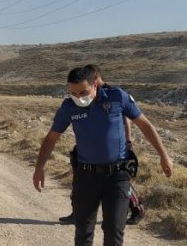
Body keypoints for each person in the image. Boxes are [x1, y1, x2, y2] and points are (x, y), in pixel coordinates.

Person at [32, 66, 173, 246]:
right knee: (83, 228)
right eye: (73, 93)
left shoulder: (117, 97)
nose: (79, 98)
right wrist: (39, 167)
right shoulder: (69, 108)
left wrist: (163, 154)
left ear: (95, 85)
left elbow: (144, 124)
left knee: (114, 229)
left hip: (117, 176)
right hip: (86, 176)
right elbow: (52, 137)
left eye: (83, 92)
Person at [59, 64, 146, 225]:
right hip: (89, 152)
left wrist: (128, 140)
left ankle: (136, 207)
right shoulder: (86, 97)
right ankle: (77, 212)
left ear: (97, 78)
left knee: (121, 181)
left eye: (94, 79)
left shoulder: (113, 94)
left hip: (117, 149)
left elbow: (126, 120)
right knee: (80, 179)